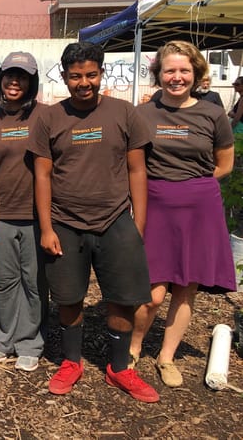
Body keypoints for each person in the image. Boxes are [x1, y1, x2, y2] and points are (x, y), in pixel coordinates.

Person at [28, 41, 159, 403]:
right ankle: (71, 362)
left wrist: (139, 224)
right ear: (65, 77)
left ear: (101, 73)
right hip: (65, 223)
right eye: (75, 76)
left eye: (90, 74)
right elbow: (42, 176)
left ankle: (120, 368)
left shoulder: (124, 112)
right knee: (69, 298)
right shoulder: (49, 118)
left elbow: (137, 169)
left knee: (122, 299)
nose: (83, 82)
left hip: (116, 220)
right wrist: (47, 228)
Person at [130, 41, 236, 388]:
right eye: (170, 70)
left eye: (184, 71)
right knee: (153, 292)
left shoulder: (212, 113)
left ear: (196, 74)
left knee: (185, 287)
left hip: (199, 207)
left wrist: (192, 185)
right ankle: (132, 349)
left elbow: (225, 163)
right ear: (158, 74)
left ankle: (166, 357)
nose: (177, 77)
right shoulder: (143, 114)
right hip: (155, 203)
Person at [0, 51, 47, 372]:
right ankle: (4, 337)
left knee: (33, 280)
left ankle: (31, 341)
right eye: (9, 75)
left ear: (31, 82)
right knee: (5, 280)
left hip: (36, 216)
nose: (15, 81)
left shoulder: (45, 117)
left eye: (22, 76)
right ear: (0, 79)